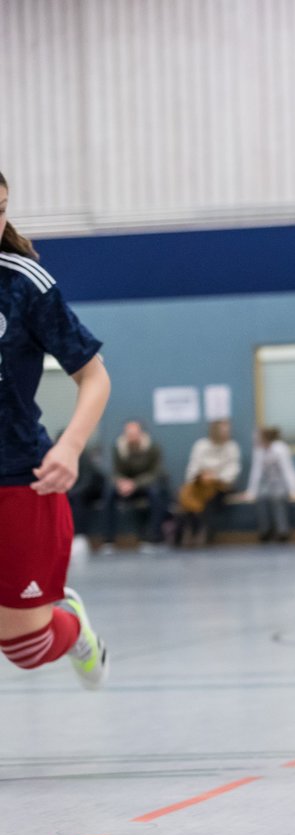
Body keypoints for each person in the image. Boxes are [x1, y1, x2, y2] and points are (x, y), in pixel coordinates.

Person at [0, 170, 110, 688]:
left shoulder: (24, 283)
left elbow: (94, 377)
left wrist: (70, 446)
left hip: (19, 476)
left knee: (28, 648)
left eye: (0, 208)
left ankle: (71, 626)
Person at [101, 420, 169, 552]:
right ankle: (108, 540)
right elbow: (115, 471)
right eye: (128, 433)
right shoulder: (118, 447)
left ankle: (153, 538)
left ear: (141, 433)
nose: (131, 436)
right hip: (124, 486)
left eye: (134, 433)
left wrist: (135, 484)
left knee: (156, 495)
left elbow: (155, 472)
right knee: (108, 494)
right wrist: (121, 482)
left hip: (145, 484)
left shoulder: (152, 447)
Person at [177, 419, 242, 546]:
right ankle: (189, 530)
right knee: (186, 496)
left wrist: (215, 477)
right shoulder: (201, 445)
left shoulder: (232, 447)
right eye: (223, 430)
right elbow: (193, 467)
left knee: (210, 498)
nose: (226, 433)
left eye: (227, 431)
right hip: (199, 485)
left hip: (220, 486)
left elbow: (233, 470)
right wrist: (201, 477)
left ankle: (204, 530)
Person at [243, 426, 295, 542]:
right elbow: (256, 472)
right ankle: (265, 531)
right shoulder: (258, 451)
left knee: (278, 498)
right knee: (261, 498)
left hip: (281, 482)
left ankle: (282, 531)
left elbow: (288, 470)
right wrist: (251, 491)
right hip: (266, 483)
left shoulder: (280, 449)